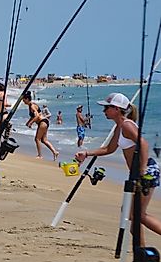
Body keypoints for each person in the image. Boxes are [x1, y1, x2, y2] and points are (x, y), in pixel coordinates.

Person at [75, 93, 161, 242]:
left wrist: (142, 171)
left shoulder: (127, 125)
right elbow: (109, 149)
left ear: (116, 109)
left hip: (147, 171)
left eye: (106, 108)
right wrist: (86, 153)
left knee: (137, 214)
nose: (104, 111)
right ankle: (141, 252)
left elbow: (144, 144)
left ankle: (141, 251)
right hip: (138, 173)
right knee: (130, 213)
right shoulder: (119, 127)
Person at [22, 91, 59, 160]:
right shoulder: (31, 105)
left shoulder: (32, 106)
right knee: (44, 140)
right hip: (44, 122)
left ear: (27, 99)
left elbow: (37, 116)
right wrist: (28, 122)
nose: (23, 101)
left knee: (37, 139)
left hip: (42, 122)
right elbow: (33, 116)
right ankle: (55, 152)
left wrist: (31, 123)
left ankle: (40, 155)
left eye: (24, 100)